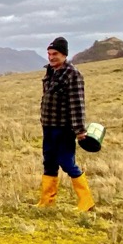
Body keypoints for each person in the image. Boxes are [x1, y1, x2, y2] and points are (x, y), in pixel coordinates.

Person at [37, 37, 95, 211]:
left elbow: (77, 104)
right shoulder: (51, 72)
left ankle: (86, 201)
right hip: (48, 126)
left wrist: (79, 131)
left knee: (67, 162)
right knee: (49, 162)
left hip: (64, 128)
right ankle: (47, 201)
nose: (51, 57)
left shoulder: (73, 74)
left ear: (64, 54)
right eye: (49, 54)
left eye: (55, 54)